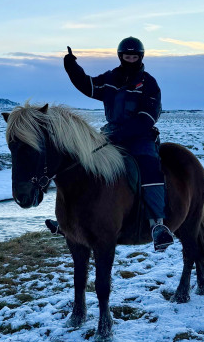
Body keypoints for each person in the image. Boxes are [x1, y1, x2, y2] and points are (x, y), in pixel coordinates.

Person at [48, 37, 175, 251]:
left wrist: (123, 134)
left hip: (140, 136)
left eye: (134, 57)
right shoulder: (111, 78)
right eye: (127, 56)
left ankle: (157, 225)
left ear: (140, 57)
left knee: (149, 168)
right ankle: (69, 221)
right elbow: (88, 85)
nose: (131, 60)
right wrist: (71, 66)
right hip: (112, 132)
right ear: (120, 56)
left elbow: (148, 116)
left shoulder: (149, 83)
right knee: (83, 163)